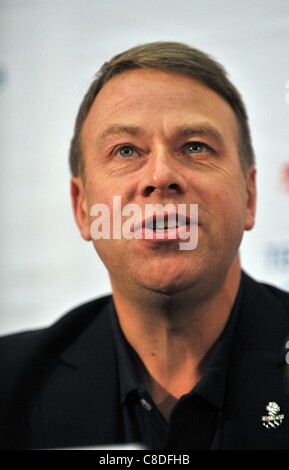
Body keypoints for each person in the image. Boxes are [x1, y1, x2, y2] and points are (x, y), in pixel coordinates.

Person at [1, 41, 289, 451]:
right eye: (125, 150)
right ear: (82, 208)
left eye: (195, 146)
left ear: (249, 196)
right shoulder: (8, 383)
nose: (161, 175)